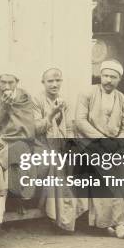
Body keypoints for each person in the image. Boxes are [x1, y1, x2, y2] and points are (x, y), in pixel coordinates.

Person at [74, 60, 124, 239]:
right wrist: (102, 141)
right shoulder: (87, 93)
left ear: (119, 79)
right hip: (88, 144)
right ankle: (118, 224)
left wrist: (117, 144)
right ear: (100, 76)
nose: (108, 80)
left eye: (113, 77)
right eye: (105, 75)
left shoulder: (122, 98)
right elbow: (80, 122)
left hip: (113, 146)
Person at [0, 68, 41, 223]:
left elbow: (28, 128)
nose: (7, 86)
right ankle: (5, 202)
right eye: (3, 82)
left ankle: (2, 202)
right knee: (14, 158)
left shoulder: (24, 96)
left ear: (17, 83)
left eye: (11, 82)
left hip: (21, 140)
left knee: (18, 150)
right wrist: (4, 107)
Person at [33, 68, 87, 232]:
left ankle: (80, 214)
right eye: (50, 81)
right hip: (41, 145)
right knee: (57, 162)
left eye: (58, 81)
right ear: (43, 83)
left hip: (61, 144)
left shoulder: (65, 102)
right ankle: (62, 219)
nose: (55, 84)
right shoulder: (36, 100)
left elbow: (70, 128)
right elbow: (35, 129)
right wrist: (51, 114)